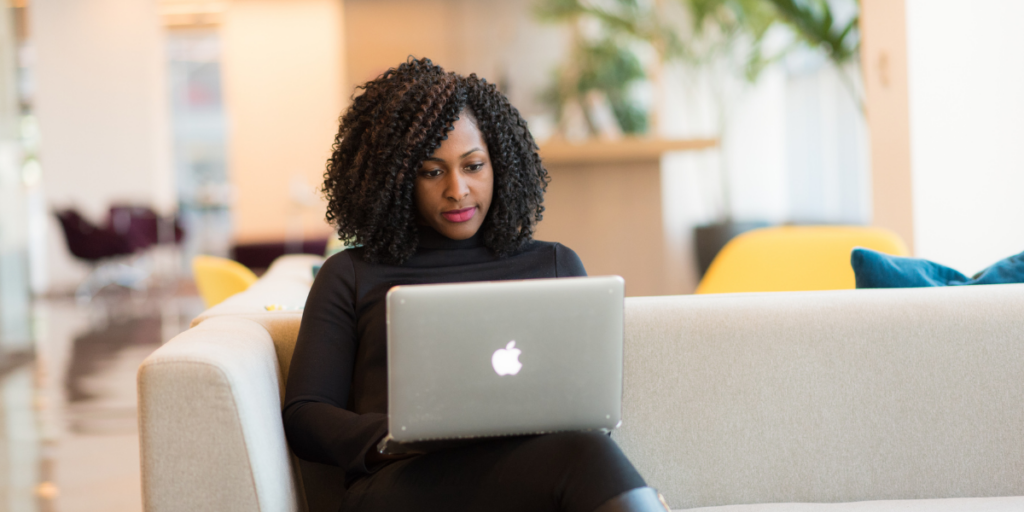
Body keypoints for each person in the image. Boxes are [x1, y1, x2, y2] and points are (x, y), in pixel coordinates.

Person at [283, 57, 669, 512]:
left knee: (588, 450)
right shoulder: (350, 273)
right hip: (402, 484)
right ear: (396, 179)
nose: (457, 189)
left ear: (499, 164)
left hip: (530, 474)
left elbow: (583, 404)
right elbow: (305, 414)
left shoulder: (554, 264)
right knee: (586, 458)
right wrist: (397, 435)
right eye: (432, 171)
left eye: (473, 165)